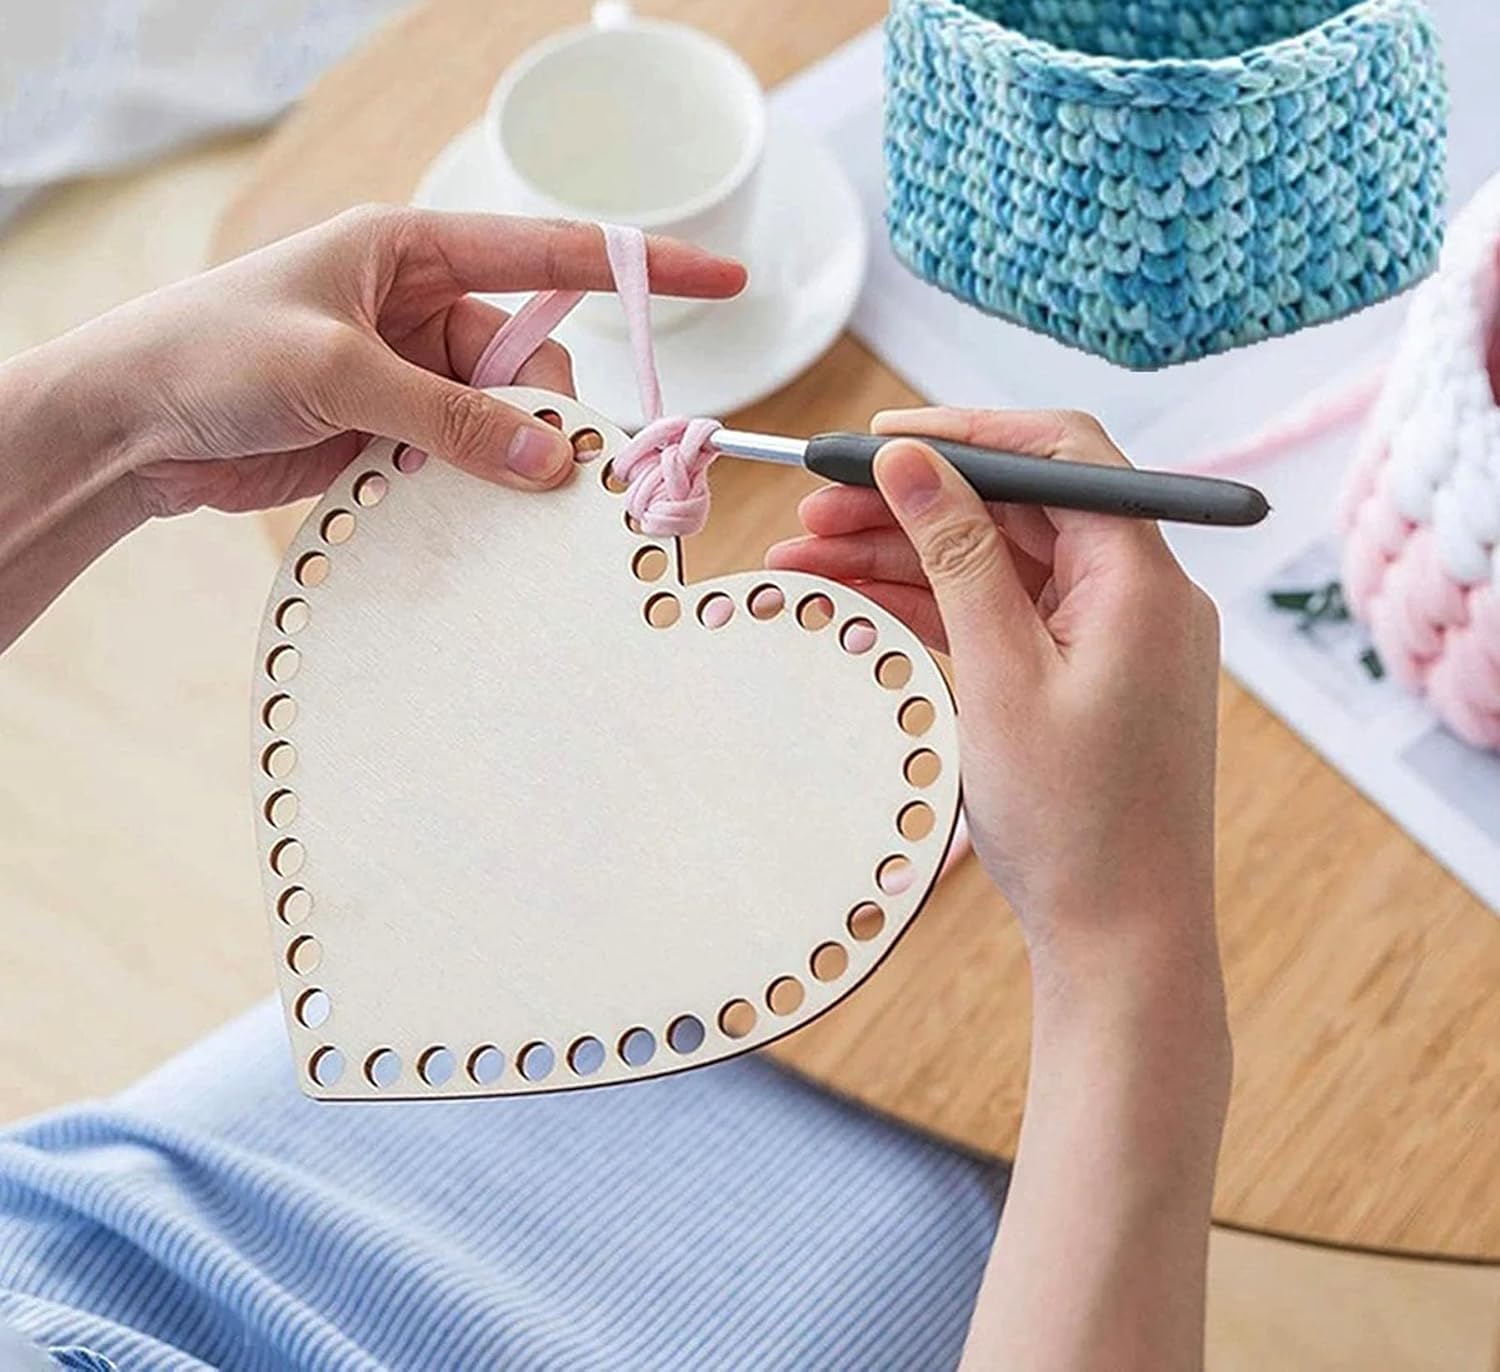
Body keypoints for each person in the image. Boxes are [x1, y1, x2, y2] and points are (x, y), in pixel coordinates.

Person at [0, 207, 1230, 1371]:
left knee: (607, 905)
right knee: (948, 1154)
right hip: (407, 1106)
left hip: (107, 1236)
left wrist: (113, 423)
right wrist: (1126, 945)